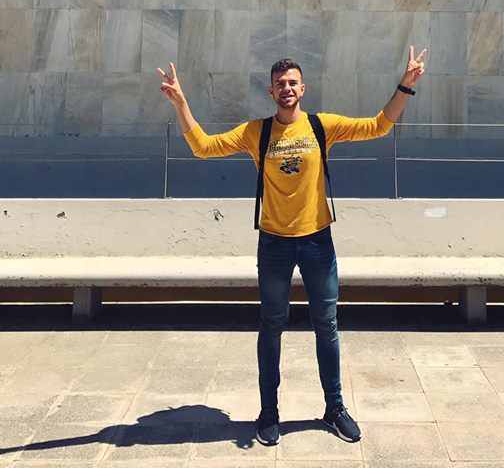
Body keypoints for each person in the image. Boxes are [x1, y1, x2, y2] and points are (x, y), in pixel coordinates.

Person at [157, 46, 426, 447]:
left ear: (304, 88)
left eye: (293, 82)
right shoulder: (257, 132)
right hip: (275, 245)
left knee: (327, 327)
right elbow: (203, 147)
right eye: (280, 83)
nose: (287, 88)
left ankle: (334, 408)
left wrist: (406, 85)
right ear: (271, 91)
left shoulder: (323, 127)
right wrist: (181, 105)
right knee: (271, 327)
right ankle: (269, 412)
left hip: (318, 241)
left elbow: (378, 126)